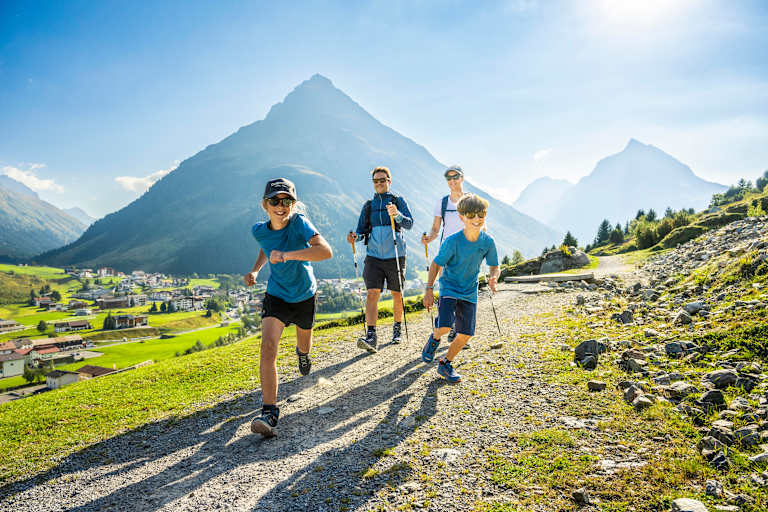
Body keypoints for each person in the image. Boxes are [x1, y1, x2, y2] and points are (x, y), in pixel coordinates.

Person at [244, 178, 333, 437]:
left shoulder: (300, 223)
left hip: (305, 294)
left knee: (304, 344)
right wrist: (256, 269)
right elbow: (266, 247)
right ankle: (269, 412)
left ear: (293, 204)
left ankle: (302, 354)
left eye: (287, 201)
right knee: (268, 346)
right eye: (275, 201)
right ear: (265, 204)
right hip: (277, 295)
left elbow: (325, 251)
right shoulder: (258, 230)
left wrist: (287, 255)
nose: (280, 206)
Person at [421, 194, 500, 383]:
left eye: (481, 214)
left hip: (469, 291)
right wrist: (429, 290)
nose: (476, 219)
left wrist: (494, 277)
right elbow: (436, 264)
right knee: (445, 327)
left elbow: (494, 265)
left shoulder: (487, 242)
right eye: (471, 215)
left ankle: (445, 363)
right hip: (449, 287)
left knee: (466, 334)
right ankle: (435, 338)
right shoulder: (452, 241)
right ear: (461, 217)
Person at [346, 166, 413, 353]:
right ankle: (371, 336)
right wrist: (355, 238)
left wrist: (397, 215)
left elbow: (409, 224)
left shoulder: (398, 201)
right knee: (372, 293)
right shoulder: (369, 206)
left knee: (397, 294)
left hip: (396, 255)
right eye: (376, 181)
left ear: (389, 181)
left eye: (383, 180)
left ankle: (397, 329)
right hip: (374, 256)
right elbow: (361, 231)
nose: (379, 183)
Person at [420, 165, 468, 347]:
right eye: (449, 178)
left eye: (456, 177)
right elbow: (435, 228)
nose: (452, 181)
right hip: (447, 252)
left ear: (462, 178)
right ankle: (451, 328)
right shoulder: (442, 203)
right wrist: (429, 238)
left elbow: (480, 223)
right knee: (448, 291)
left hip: (467, 251)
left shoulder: (470, 200)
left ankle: (460, 331)